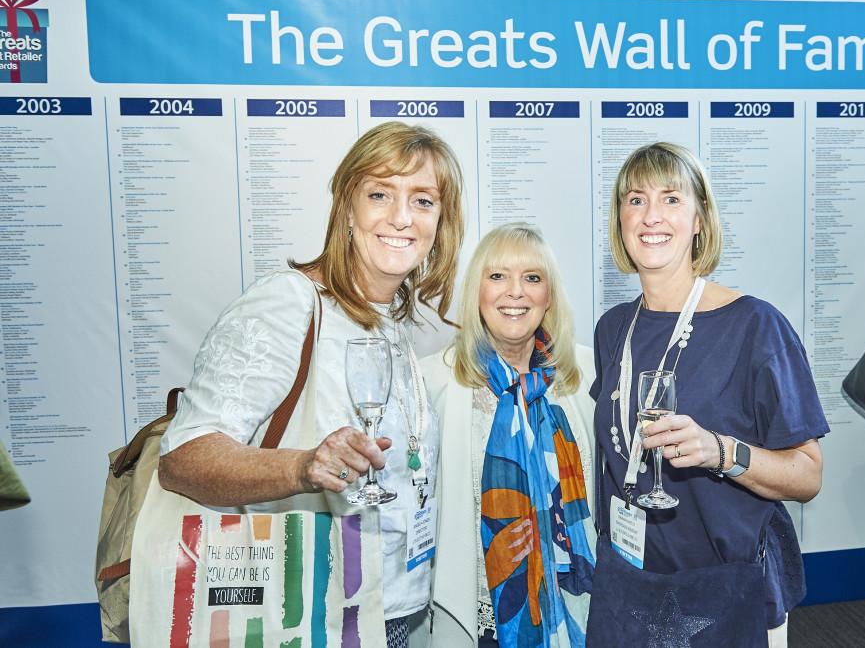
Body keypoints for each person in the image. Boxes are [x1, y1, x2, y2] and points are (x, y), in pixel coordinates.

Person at [157, 121, 464, 647]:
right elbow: (183, 457)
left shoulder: (389, 321)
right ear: (348, 207)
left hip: (388, 610)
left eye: (423, 200)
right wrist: (302, 466)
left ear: (442, 221)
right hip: (306, 618)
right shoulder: (290, 303)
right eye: (379, 194)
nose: (401, 217)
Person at [587, 142, 829, 647]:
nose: (651, 215)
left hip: (727, 590)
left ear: (699, 219)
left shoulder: (756, 326)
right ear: (620, 220)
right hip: (630, 582)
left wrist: (721, 451)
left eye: (671, 199)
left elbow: (808, 475)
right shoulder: (613, 329)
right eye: (635, 200)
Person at [422, 223, 597, 647]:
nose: (515, 292)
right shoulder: (432, 380)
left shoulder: (588, 373)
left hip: (577, 608)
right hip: (474, 615)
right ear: (476, 292)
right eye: (497, 276)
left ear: (548, 294)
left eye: (532, 278)